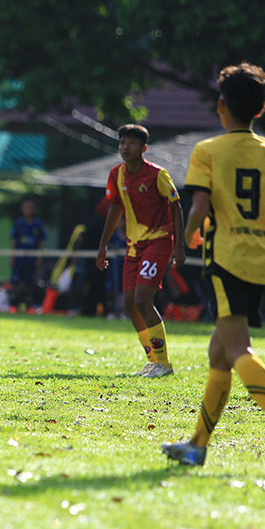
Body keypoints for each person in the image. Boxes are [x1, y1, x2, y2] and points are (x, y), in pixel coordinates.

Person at [161, 62, 265, 476]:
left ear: (221, 106)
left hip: (225, 260)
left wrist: (187, 239)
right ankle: (197, 446)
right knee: (219, 353)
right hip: (261, 261)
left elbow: (199, 207)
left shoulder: (208, 152)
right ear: (259, 111)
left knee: (237, 349)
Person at [96, 125, 185, 378]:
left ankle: (164, 364)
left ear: (143, 148)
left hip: (158, 242)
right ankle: (153, 360)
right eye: (122, 142)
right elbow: (114, 208)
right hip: (134, 245)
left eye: (131, 143)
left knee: (142, 300)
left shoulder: (157, 175)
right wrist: (102, 245)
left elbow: (176, 207)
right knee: (129, 304)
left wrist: (178, 245)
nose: (125, 147)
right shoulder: (117, 174)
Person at [9, 198, 46, 311]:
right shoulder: (19, 223)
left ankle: (28, 305)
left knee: (29, 283)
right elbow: (14, 241)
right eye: (26, 208)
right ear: (22, 209)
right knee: (16, 282)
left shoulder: (38, 224)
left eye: (31, 208)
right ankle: (14, 304)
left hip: (31, 259)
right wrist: (12, 257)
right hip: (19, 259)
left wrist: (39, 258)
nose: (29, 210)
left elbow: (41, 242)